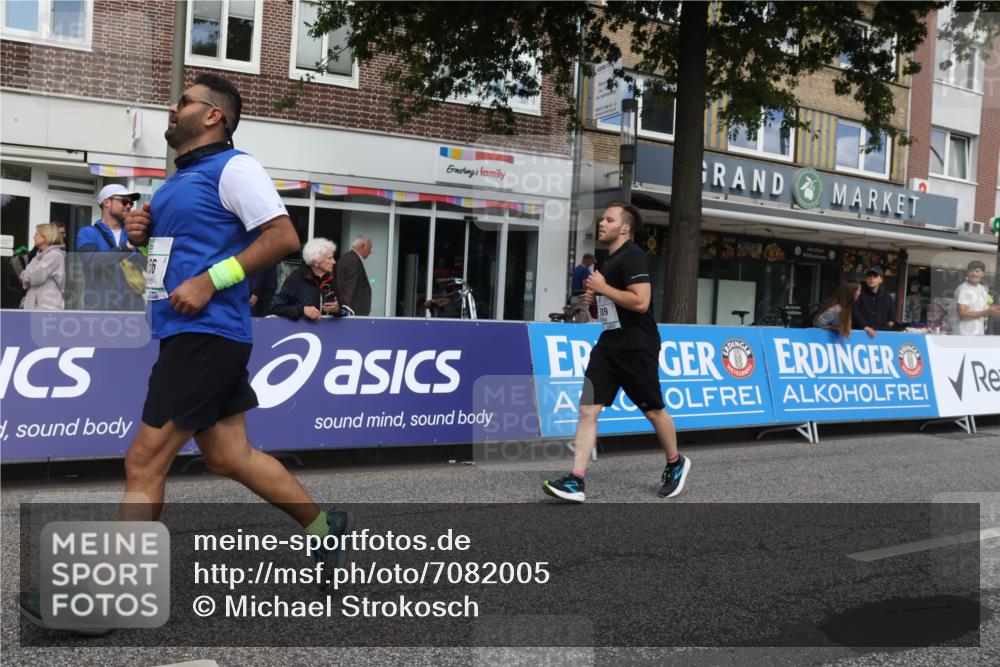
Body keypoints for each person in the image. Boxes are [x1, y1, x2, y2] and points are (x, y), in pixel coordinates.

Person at [18, 73, 350, 634]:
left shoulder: (235, 168)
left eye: (183, 103)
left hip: (207, 332)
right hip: (189, 332)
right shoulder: (181, 180)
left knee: (144, 462)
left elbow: (283, 237)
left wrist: (209, 281)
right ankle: (325, 531)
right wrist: (145, 234)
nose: (172, 109)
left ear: (213, 115)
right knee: (229, 456)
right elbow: (178, 251)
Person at [543, 202, 689, 503]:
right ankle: (576, 481)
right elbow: (608, 314)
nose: (602, 223)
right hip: (609, 345)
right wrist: (595, 299)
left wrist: (603, 288)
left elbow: (641, 302)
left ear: (625, 228)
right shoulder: (606, 261)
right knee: (587, 410)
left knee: (653, 410)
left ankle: (675, 463)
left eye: (609, 220)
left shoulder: (632, 256)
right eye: (602, 219)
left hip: (638, 345)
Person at [268, 238, 343, 320]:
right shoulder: (296, 278)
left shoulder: (330, 279)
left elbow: (343, 308)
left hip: (327, 331)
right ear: (316, 262)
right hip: (302, 331)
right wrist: (302, 310)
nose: (334, 262)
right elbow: (275, 307)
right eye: (330, 258)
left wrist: (337, 309)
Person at [77, 184, 138, 251]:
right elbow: (92, 260)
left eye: (131, 203)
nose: (129, 206)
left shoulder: (133, 234)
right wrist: (126, 247)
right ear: (106, 202)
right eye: (124, 202)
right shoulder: (88, 233)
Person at [18, 223, 65, 311]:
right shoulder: (38, 255)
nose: (34, 237)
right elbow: (23, 277)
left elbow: (35, 277)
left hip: (48, 309)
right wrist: (29, 274)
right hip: (34, 309)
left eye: (36, 234)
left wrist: (29, 273)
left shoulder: (55, 255)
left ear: (45, 236)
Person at [954, 260, 1000, 336]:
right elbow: (962, 314)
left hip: (979, 333)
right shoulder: (963, 289)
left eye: (977, 271)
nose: (973, 274)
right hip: (964, 334)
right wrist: (987, 312)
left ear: (983, 274)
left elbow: (979, 309)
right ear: (967, 273)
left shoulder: (982, 289)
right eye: (970, 271)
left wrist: (993, 309)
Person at [335, 235, 373, 316]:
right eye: (370, 248)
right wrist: (346, 312)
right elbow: (349, 290)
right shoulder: (353, 261)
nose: (370, 251)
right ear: (363, 246)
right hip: (352, 314)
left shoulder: (346, 257)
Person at [852, 265, 896, 332]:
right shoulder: (858, 295)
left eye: (875, 276)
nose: (871, 278)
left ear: (881, 280)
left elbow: (891, 318)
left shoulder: (887, 298)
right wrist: (865, 326)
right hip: (860, 335)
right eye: (869, 276)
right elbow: (854, 313)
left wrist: (891, 322)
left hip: (881, 337)